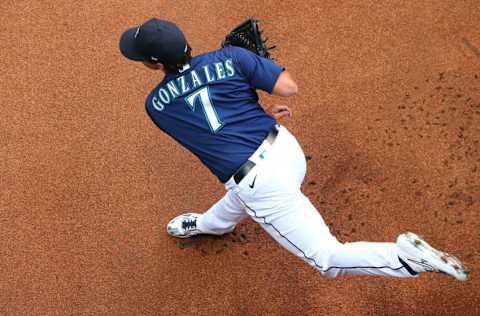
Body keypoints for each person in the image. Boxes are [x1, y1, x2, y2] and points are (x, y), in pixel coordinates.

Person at [119, 18, 469, 281]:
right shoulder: (232, 58)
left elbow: (209, 128)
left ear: (154, 64)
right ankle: (210, 225)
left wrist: (237, 96)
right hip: (286, 149)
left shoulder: (157, 106)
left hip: (260, 182)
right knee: (242, 197)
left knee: (327, 259)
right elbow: (288, 87)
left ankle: (405, 259)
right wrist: (249, 76)